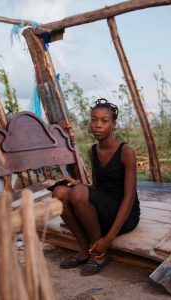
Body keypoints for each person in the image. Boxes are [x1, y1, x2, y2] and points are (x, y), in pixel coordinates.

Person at [52, 98, 140, 276]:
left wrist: (109, 239)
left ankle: (100, 253)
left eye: (104, 121)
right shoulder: (93, 150)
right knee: (59, 192)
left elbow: (129, 198)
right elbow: (98, 187)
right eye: (94, 120)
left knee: (78, 193)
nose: (98, 125)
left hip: (124, 214)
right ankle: (85, 249)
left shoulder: (126, 151)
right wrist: (79, 185)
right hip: (103, 208)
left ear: (113, 124)